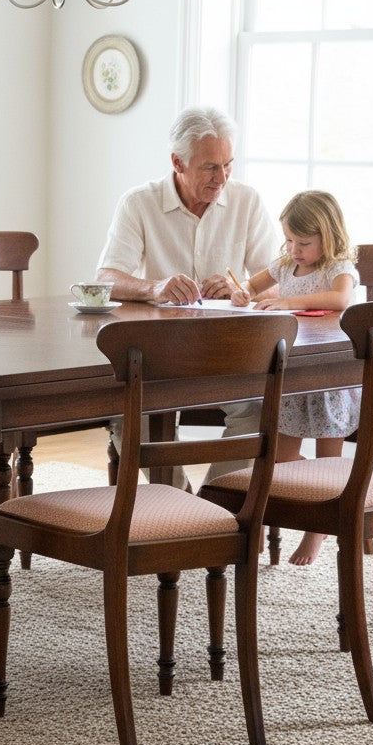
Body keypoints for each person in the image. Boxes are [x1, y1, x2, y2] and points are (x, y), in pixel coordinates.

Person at [95, 105, 278, 485]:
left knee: (262, 408)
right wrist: (154, 288)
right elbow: (106, 277)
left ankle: (217, 508)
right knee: (129, 415)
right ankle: (179, 506)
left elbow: (277, 279)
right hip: (158, 353)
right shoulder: (139, 202)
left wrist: (241, 288)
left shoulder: (248, 201)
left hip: (232, 351)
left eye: (229, 164)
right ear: (178, 162)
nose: (222, 177)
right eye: (210, 167)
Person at [231, 190, 360, 565]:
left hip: (328, 373)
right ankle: (320, 500)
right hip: (289, 374)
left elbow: (341, 301)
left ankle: (318, 527)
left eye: (303, 242)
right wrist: (242, 293)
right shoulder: (286, 264)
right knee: (280, 456)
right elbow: (251, 285)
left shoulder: (339, 269)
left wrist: (287, 302)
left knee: (328, 459)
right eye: (288, 240)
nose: (294, 249)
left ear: (329, 235)